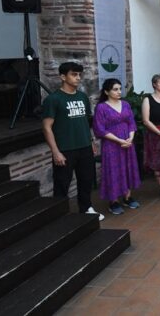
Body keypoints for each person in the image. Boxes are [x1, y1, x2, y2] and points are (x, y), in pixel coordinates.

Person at [42, 62, 104, 220]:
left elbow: (84, 122)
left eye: (79, 75)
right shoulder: (53, 99)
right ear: (63, 76)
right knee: (62, 183)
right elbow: (47, 127)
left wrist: (91, 142)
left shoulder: (82, 97)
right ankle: (60, 214)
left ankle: (86, 208)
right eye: (73, 74)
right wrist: (55, 152)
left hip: (84, 147)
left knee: (86, 180)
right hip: (65, 149)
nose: (78, 78)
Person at [93, 78, 141, 215]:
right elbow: (99, 129)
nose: (119, 91)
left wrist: (130, 138)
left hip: (127, 142)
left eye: (120, 89)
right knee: (113, 169)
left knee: (128, 167)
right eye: (115, 89)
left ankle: (127, 197)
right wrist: (119, 140)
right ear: (107, 91)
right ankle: (113, 201)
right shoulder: (101, 107)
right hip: (111, 144)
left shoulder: (125, 104)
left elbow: (131, 123)